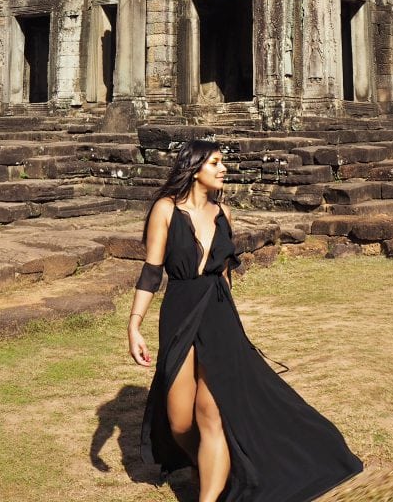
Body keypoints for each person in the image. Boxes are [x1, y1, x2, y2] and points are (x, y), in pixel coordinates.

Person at [127, 139, 363, 502]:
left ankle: (211, 491)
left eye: (223, 162)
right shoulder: (165, 209)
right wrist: (134, 325)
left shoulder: (225, 215)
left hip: (218, 315)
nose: (224, 169)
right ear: (194, 169)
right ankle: (212, 468)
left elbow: (223, 275)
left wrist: (232, 327)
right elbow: (151, 271)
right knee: (179, 422)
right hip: (179, 313)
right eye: (216, 162)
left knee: (212, 415)